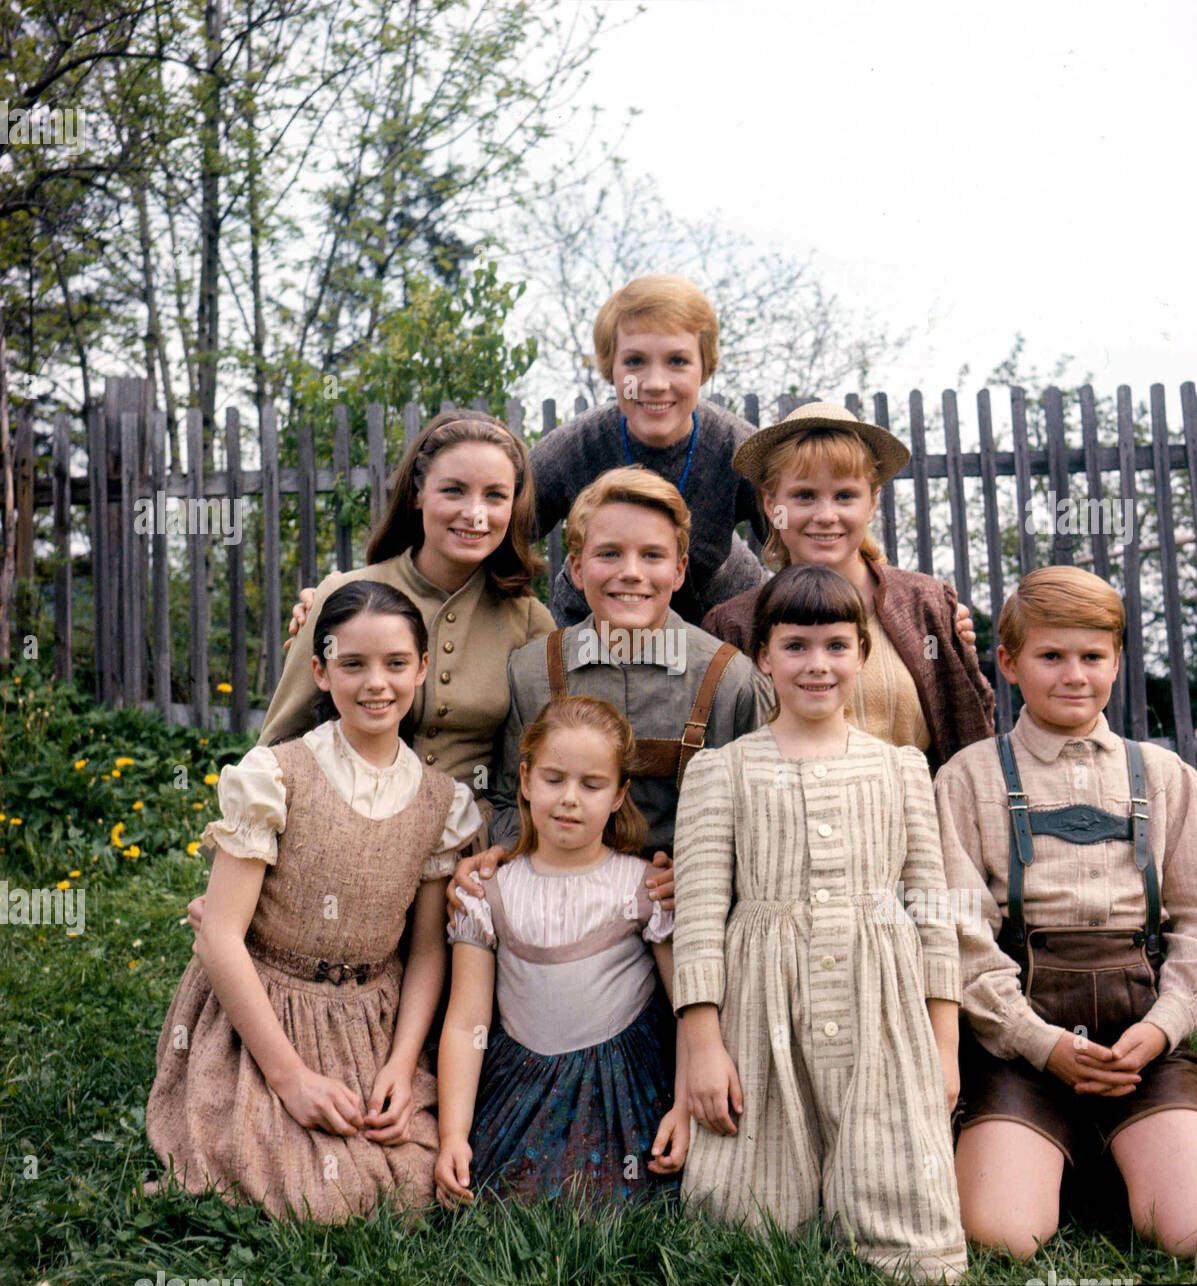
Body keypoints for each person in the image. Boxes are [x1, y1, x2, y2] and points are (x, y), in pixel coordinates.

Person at [936, 567, 1197, 1258]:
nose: (1073, 675)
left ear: (1117, 661)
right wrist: (1036, 1041)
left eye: (1093, 657)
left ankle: (1126, 1147)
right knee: (998, 1236)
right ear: (1009, 663)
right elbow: (957, 938)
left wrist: (1163, 1028)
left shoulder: (1166, 778)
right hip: (1018, 1045)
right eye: (1050, 656)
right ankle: (1048, 1149)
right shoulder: (968, 777)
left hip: (1140, 1045)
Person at [147, 581, 483, 1221]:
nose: (376, 683)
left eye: (395, 664)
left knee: (409, 1183)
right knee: (315, 1192)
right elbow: (219, 935)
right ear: (321, 672)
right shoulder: (275, 776)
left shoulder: (443, 802)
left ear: (422, 669)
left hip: (370, 1021)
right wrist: (289, 1078)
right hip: (267, 1009)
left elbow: (426, 949)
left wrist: (403, 1062)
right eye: (353, 665)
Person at [673, 564, 967, 1282]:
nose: (817, 665)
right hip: (762, 1005)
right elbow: (702, 915)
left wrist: (945, 1039)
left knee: (907, 1226)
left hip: (880, 1004)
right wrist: (704, 1046)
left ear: (862, 654)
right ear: (764, 657)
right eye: (796, 646)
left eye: (837, 645)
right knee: (747, 1223)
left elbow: (932, 907)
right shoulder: (722, 770)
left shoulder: (901, 769)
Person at [185, 410, 553, 928]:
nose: (476, 513)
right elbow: (279, 746)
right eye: (453, 491)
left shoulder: (530, 620)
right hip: (339, 851)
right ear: (418, 495)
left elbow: (530, 767)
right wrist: (230, 886)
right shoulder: (345, 595)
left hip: (463, 859)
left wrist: (505, 850)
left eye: (495, 496)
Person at [450, 467, 773, 910]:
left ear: (679, 571)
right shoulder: (532, 672)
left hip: (685, 915)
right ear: (577, 569)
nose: (632, 573)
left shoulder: (729, 678)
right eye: (609, 555)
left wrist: (711, 871)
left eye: (653, 556)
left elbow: (757, 814)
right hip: (560, 909)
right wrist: (504, 850)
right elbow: (507, 795)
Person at [436, 697, 688, 1207]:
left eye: (592, 785)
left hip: (623, 1089)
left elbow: (686, 1007)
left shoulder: (643, 888)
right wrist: (452, 1136)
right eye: (554, 780)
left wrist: (683, 1106)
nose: (570, 799)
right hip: (522, 1085)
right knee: (503, 1201)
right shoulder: (490, 893)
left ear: (619, 795)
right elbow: (467, 1022)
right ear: (525, 781)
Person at [702, 401, 994, 768]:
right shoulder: (735, 625)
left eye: (845, 496)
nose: (826, 516)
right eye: (804, 495)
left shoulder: (927, 606)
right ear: (770, 504)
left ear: (872, 503)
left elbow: (971, 728)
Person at [531, 274, 768, 626]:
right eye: (635, 362)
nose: (656, 384)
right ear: (610, 368)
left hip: (718, 622)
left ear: (704, 368)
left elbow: (801, 546)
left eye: (677, 361)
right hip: (594, 628)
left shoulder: (742, 450)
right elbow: (499, 532)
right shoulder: (575, 448)